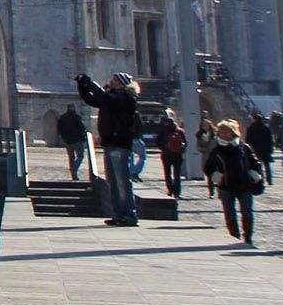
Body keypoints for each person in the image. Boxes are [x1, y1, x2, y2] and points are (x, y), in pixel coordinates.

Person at [76, 71, 142, 226]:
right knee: (113, 181)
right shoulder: (112, 97)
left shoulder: (126, 98)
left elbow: (104, 98)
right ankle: (119, 214)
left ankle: (129, 215)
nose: (111, 81)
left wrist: (90, 83)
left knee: (122, 181)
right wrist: (82, 85)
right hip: (110, 143)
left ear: (121, 83)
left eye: (114, 79)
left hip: (120, 144)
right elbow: (91, 99)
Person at [202, 121, 259, 246]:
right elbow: (208, 168)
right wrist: (218, 178)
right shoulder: (217, 150)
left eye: (227, 131)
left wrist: (256, 177)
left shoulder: (244, 147)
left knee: (247, 213)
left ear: (234, 132)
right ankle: (234, 236)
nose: (224, 134)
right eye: (222, 132)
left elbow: (255, 164)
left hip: (245, 185)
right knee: (230, 214)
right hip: (226, 187)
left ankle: (248, 237)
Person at [157, 114, 187, 199]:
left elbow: (158, 143)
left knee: (167, 174)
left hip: (166, 155)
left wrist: (164, 148)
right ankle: (177, 192)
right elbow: (185, 143)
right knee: (177, 175)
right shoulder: (179, 131)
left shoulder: (162, 131)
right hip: (178, 156)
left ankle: (170, 190)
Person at [56, 103, 89, 181]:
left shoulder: (62, 118)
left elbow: (59, 129)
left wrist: (63, 138)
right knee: (80, 156)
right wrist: (83, 138)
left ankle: (73, 175)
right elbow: (81, 128)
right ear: (74, 108)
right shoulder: (77, 117)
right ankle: (74, 169)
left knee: (71, 157)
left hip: (68, 141)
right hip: (77, 140)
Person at [246, 114, 277, 181]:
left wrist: (249, 147)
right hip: (265, 148)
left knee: (258, 164)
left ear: (254, 119)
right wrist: (270, 148)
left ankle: (261, 178)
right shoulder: (265, 127)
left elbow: (248, 139)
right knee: (267, 164)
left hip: (255, 148)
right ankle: (269, 179)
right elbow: (270, 139)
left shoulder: (251, 128)